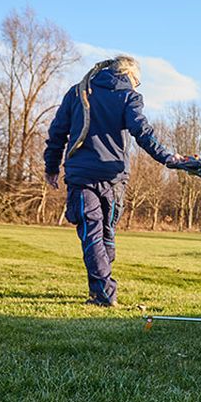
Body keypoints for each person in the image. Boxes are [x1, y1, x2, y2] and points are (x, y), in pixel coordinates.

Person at [44, 55, 181, 307]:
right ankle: (103, 292)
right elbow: (142, 131)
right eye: (136, 82)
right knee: (102, 233)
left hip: (82, 175)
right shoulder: (126, 96)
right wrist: (167, 157)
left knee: (95, 234)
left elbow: (57, 133)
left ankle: (101, 290)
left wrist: (51, 167)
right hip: (113, 177)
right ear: (130, 76)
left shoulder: (78, 92)